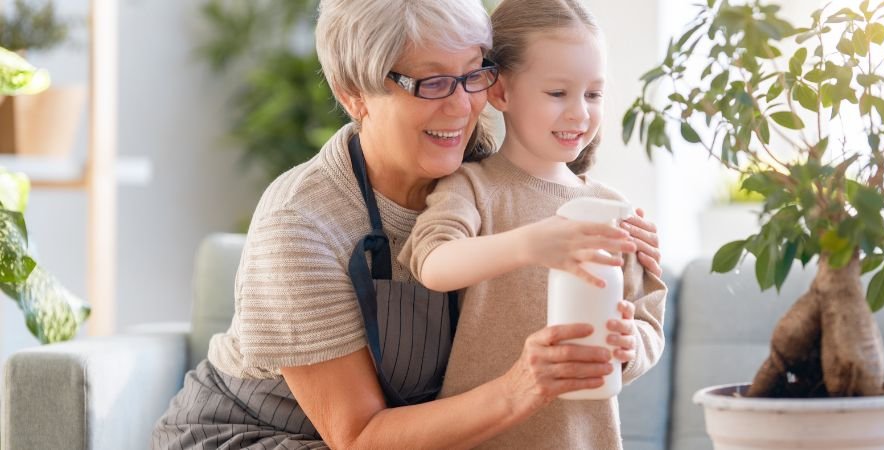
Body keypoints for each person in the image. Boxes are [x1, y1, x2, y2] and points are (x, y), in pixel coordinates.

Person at [149, 0, 662, 448]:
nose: (462, 107)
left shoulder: (477, 166)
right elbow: (359, 438)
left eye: (472, 73)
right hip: (264, 437)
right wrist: (520, 387)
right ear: (353, 93)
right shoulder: (301, 224)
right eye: (432, 82)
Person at [401, 0, 667, 448]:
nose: (579, 113)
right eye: (558, 93)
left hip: (586, 438)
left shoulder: (612, 208)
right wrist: (531, 243)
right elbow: (431, 261)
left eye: (594, 94)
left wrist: (629, 346)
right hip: (486, 435)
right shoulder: (473, 187)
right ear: (501, 93)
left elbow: (648, 323)